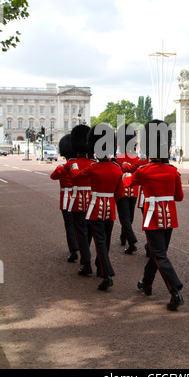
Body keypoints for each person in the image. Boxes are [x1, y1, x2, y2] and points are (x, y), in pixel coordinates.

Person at [124, 119, 184, 311]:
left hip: (153, 218)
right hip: (170, 218)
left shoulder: (144, 171)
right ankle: (146, 282)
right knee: (159, 253)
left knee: (159, 254)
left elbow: (127, 185)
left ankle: (174, 289)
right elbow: (179, 197)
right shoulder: (173, 171)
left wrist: (123, 174)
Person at [72, 124, 124, 291]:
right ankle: (101, 268)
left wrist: (73, 167)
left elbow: (77, 177)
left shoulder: (93, 168)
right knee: (106, 240)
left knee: (99, 242)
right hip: (110, 209)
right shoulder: (117, 169)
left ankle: (107, 274)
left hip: (95, 209)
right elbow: (120, 192)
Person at [64, 124, 94, 276]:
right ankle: (86, 257)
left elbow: (56, 175)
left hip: (77, 201)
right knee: (89, 231)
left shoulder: (71, 164)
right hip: (92, 201)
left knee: (81, 232)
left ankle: (86, 261)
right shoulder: (93, 164)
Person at [50, 134, 79, 263]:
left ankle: (73, 250)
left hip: (66, 200)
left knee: (69, 225)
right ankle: (82, 247)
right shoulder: (80, 166)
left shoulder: (62, 167)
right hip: (79, 198)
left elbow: (53, 176)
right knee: (80, 225)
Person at [115, 124, 139, 254]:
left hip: (121, 190)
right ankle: (124, 236)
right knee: (130, 217)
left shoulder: (117, 159)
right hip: (134, 190)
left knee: (124, 217)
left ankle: (131, 241)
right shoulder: (136, 159)